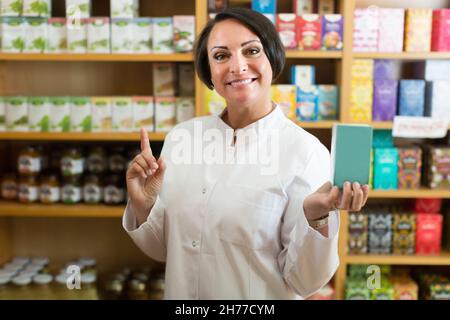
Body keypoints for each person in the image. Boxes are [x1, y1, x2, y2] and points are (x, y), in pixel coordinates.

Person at [123, 7, 369, 299]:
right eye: (221, 55)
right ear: (209, 73)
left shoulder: (306, 153)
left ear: (273, 60)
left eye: (251, 51)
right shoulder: (181, 139)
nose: (237, 66)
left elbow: (306, 281)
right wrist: (144, 206)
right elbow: (164, 250)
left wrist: (315, 218)